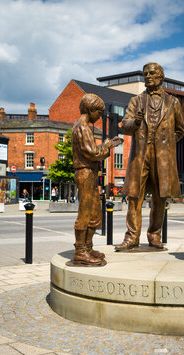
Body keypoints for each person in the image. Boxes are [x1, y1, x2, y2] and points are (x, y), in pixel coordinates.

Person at [115, 62, 184, 251]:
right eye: (145, 73)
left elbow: (179, 130)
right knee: (134, 196)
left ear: (161, 76)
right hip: (140, 155)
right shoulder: (136, 101)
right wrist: (135, 123)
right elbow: (125, 124)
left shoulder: (173, 102)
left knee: (159, 198)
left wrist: (166, 145)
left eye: (152, 73)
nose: (148, 76)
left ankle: (154, 235)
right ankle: (132, 237)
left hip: (162, 157)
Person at [72, 93, 123, 265]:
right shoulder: (82, 127)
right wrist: (108, 145)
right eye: (99, 113)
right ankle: (80, 251)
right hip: (85, 172)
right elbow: (92, 153)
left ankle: (87, 247)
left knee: (94, 213)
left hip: (90, 173)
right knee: (85, 213)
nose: (100, 116)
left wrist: (107, 145)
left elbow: (93, 151)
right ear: (91, 110)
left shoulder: (85, 126)